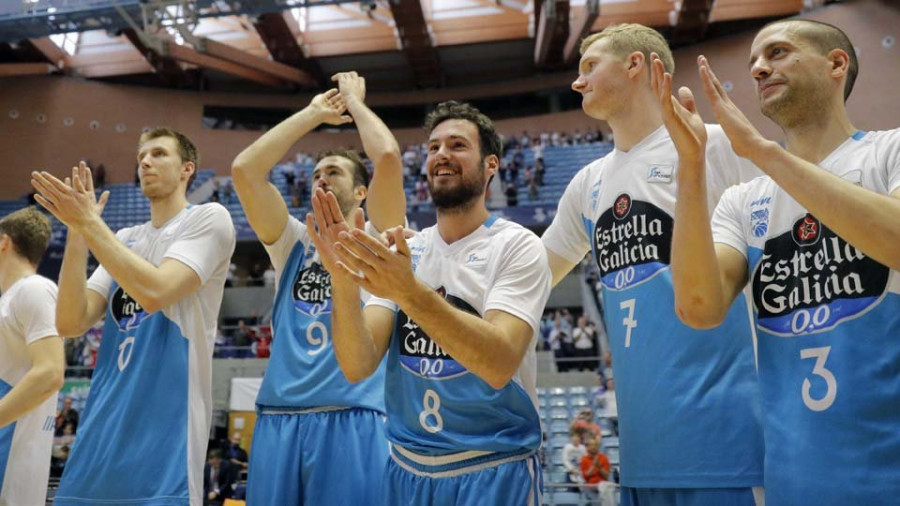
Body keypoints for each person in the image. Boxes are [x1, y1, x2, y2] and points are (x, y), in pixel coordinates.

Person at [659, 19, 900, 505]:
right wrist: (690, 166)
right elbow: (698, 307)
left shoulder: (890, 151)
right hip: (793, 477)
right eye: (752, 63)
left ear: (836, 63)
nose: (759, 69)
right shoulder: (743, 201)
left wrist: (764, 154)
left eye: (778, 52)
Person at [540, 23, 765, 506]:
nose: (577, 82)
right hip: (642, 454)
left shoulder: (718, 145)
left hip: (727, 443)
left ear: (635, 64)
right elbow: (531, 277)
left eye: (589, 66)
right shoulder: (587, 184)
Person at [309, 100, 551, 504]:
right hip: (407, 468)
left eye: (457, 145)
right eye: (434, 147)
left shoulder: (517, 245)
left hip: (492, 467)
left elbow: (498, 363)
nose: (441, 154)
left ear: (491, 164)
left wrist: (408, 291)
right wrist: (343, 281)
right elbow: (357, 364)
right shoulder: (409, 249)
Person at [33, 128, 236, 505]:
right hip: (100, 430)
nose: (144, 161)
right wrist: (79, 234)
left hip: (164, 433)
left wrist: (93, 226)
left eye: (159, 154)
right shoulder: (124, 238)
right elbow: (70, 322)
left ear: (187, 169)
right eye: (142, 155)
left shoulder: (209, 218)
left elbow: (156, 291)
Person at [231, 71, 406, 506]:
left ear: (362, 191)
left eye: (333, 171)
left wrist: (354, 103)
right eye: (315, 174)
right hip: (279, 415)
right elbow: (245, 171)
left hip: (354, 413)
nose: (321, 178)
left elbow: (386, 156)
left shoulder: (381, 236)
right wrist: (313, 114)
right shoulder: (292, 239)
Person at [0, 207, 64, 506]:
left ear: (4, 242)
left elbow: (50, 372)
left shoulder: (35, 289)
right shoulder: (11, 298)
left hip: (10, 469)